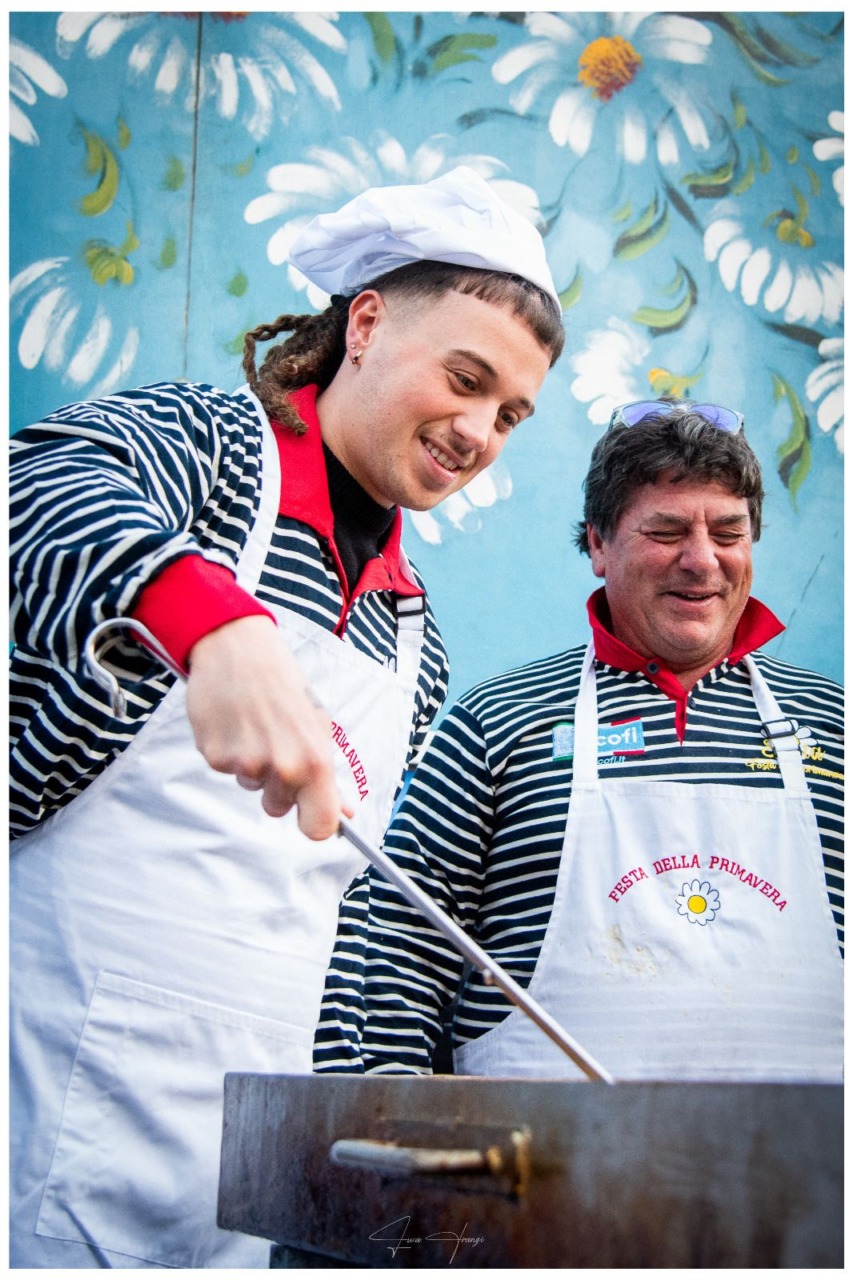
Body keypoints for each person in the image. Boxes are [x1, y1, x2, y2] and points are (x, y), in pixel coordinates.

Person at [9, 166, 565, 1268]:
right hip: (44, 1089)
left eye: (508, 413)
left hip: (230, 1175)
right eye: (464, 377)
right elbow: (35, 484)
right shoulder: (208, 453)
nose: (477, 430)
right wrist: (210, 620)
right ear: (365, 322)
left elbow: (336, 917)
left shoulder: (417, 637)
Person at [315, 399, 843, 1083]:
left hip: (807, 1179)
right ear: (596, 543)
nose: (701, 561)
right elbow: (392, 946)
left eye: (727, 532)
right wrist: (388, 1124)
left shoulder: (833, 722)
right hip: (533, 1174)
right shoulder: (496, 724)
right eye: (666, 530)